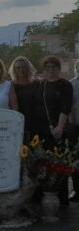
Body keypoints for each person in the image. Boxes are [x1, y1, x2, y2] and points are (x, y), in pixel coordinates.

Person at [31, 56, 73, 205]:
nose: (50, 70)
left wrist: (60, 127)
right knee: (41, 163)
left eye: (53, 67)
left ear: (58, 68)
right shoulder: (40, 85)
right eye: (47, 67)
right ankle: (41, 196)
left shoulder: (65, 85)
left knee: (58, 164)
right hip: (40, 130)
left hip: (57, 129)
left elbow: (66, 107)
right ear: (43, 70)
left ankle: (60, 198)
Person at [8, 56, 38, 143]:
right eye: (18, 67)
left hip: (33, 121)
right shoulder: (9, 85)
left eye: (23, 67)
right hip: (16, 121)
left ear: (28, 68)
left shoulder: (36, 83)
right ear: (14, 69)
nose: (21, 70)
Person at [68, 60, 79, 202]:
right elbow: (67, 106)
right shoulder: (71, 84)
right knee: (74, 160)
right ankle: (77, 189)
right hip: (75, 125)